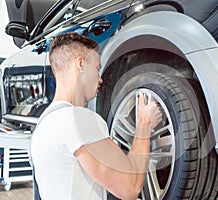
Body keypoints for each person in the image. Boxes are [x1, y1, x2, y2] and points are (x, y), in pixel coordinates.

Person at [30, 32, 162, 200]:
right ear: (81, 64)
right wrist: (144, 126)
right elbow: (130, 187)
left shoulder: (43, 124)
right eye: (97, 68)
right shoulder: (77, 119)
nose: (100, 79)